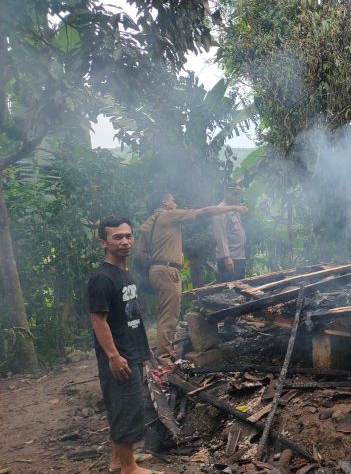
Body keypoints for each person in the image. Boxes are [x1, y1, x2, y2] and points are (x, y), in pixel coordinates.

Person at [88, 217, 163, 474]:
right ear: (103, 242)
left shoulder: (124, 273)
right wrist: (113, 356)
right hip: (119, 356)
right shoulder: (102, 278)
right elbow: (98, 320)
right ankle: (129, 468)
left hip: (132, 350)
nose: (124, 242)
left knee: (122, 406)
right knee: (126, 407)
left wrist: (144, 347)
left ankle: (119, 459)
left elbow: (131, 314)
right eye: (117, 237)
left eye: (128, 236)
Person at [138, 192, 247, 366]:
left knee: (163, 312)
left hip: (155, 270)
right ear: (164, 202)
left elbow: (141, 254)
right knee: (170, 315)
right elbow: (203, 212)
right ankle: (164, 357)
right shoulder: (168, 215)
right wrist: (234, 207)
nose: (175, 203)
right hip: (168, 271)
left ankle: (165, 349)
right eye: (173, 200)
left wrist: (157, 260)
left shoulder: (147, 223)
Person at [212, 182, 247, 282]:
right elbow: (220, 235)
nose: (237, 197)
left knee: (240, 288)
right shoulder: (220, 210)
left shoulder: (235, 208)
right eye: (234, 194)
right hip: (230, 259)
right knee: (230, 289)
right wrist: (226, 257)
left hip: (239, 256)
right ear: (226, 193)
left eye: (238, 194)